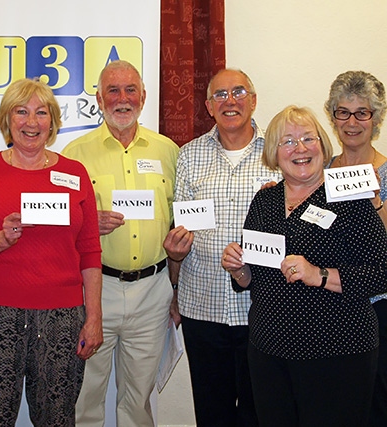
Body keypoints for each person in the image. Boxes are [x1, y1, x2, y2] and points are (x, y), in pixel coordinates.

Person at [0, 78, 102, 426]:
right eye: (21, 112)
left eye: (41, 113)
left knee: (56, 419)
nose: (31, 122)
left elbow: (90, 252)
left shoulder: (74, 174)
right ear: (6, 119)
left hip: (61, 318)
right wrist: (0, 238)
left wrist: (93, 317)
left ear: (53, 121)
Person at [222, 105, 387, 426]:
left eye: (308, 139)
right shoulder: (265, 201)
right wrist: (239, 269)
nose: (299, 148)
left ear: (323, 146)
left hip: (338, 355)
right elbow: (256, 276)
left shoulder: (349, 199)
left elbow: (381, 273)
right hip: (269, 353)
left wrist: (319, 275)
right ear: (274, 152)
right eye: (287, 141)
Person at [62, 59, 178, 427]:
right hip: (97, 290)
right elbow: (56, 221)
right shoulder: (73, 154)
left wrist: (177, 288)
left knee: (137, 399)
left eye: (130, 90)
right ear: (98, 97)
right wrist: (85, 223)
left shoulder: (168, 151)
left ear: (143, 96)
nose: (122, 98)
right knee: (86, 395)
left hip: (153, 290)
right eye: (113, 90)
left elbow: (183, 217)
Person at [164, 68, 281, 427]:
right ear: (208, 106)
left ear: (254, 100)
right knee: (211, 413)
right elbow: (180, 231)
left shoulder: (279, 152)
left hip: (263, 308)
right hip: (203, 307)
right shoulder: (189, 155)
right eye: (221, 95)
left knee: (258, 412)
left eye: (240, 92)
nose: (231, 101)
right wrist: (175, 262)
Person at [324, 70, 387, 427]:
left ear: (376, 118)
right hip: (332, 304)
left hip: (378, 308)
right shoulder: (323, 169)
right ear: (332, 117)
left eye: (362, 112)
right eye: (343, 112)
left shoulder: (386, 172)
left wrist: (376, 200)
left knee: (375, 405)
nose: (352, 122)